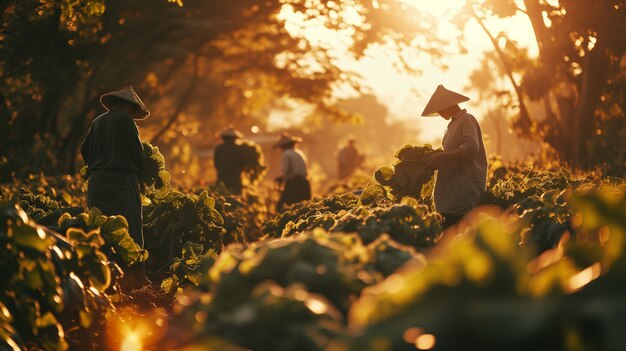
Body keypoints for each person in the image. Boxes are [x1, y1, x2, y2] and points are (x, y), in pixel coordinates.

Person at [80, 86, 151, 289]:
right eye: (133, 112)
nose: (133, 116)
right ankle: (138, 277)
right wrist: (143, 169)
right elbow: (137, 154)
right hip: (121, 180)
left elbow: (84, 150)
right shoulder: (124, 119)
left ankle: (107, 278)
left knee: (101, 229)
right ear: (129, 106)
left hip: (97, 182)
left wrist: (98, 163)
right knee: (132, 228)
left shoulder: (97, 121)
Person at [422, 85, 487, 230]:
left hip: (464, 186)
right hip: (450, 188)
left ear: (448, 106)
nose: (439, 112)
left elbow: (470, 148)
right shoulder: (452, 125)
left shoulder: (466, 119)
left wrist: (441, 156)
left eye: (440, 108)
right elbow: (452, 155)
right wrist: (436, 161)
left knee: (460, 230)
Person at [274, 134, 311, 210]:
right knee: (303, 208)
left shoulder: (286, 154)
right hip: (304, 184)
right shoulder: (299, 153)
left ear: (283, 146)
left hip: (294, 185)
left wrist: (280, 179)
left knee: (282, 208)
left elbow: (286, 171)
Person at [213, 126, 245, 195]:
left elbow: (216, 164)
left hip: (222, 179)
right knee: (236, 199)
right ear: (235, 138)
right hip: (235, 180)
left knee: (222, 199)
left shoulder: (219, 148)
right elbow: (243, 164)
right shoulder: (239, 149)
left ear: (223, 138)